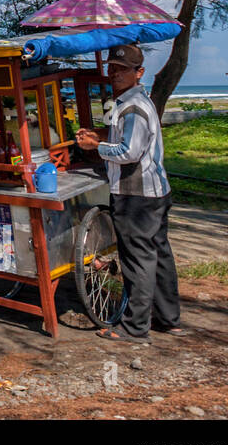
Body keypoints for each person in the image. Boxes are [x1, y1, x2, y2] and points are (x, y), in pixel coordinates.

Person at [76, 44, 182, 344]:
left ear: (139, 73)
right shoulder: (136, 101)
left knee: (138, 260)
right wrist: (101, 138)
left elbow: (129, 152)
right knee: (158, 255)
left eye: (122, 70)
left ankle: (135, 328)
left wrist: (95, 147)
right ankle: (168, 318)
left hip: (136, 195)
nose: (115, 74)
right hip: (156, 192)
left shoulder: (133, 106)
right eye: (112, 68)